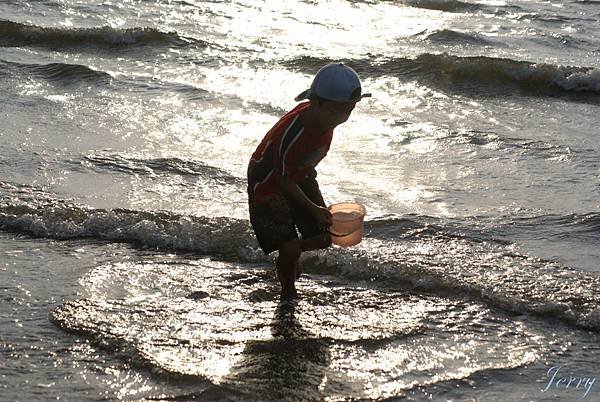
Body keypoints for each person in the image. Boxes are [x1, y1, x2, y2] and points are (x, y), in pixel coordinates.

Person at [247, 62, 371, 300]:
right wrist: (313, 208)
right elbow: (281, 179)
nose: (342, 117)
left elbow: (303, 166)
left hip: (299, 174)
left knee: (325, 236)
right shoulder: (293, 132)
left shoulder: (325, 121)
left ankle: (290, 253)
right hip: (269, 183)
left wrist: (314, 210)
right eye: (336, 110)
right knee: (291, 243)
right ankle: (288, 289)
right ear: (316, 103)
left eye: (348, 110)